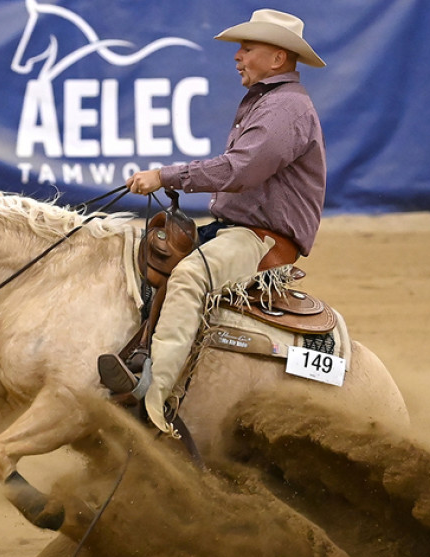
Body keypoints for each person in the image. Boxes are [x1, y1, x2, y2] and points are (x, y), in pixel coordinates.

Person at [102, 8, 327, 435]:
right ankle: (141, 355)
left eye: (247, 48)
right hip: (240, 230)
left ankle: (153, 397)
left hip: (262, 240)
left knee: (187, 277)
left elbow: (238, 171)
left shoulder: (285, 110)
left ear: (277, 58)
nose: (237, 56)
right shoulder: (269, 102)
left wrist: (165, 176)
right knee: (146, 260)